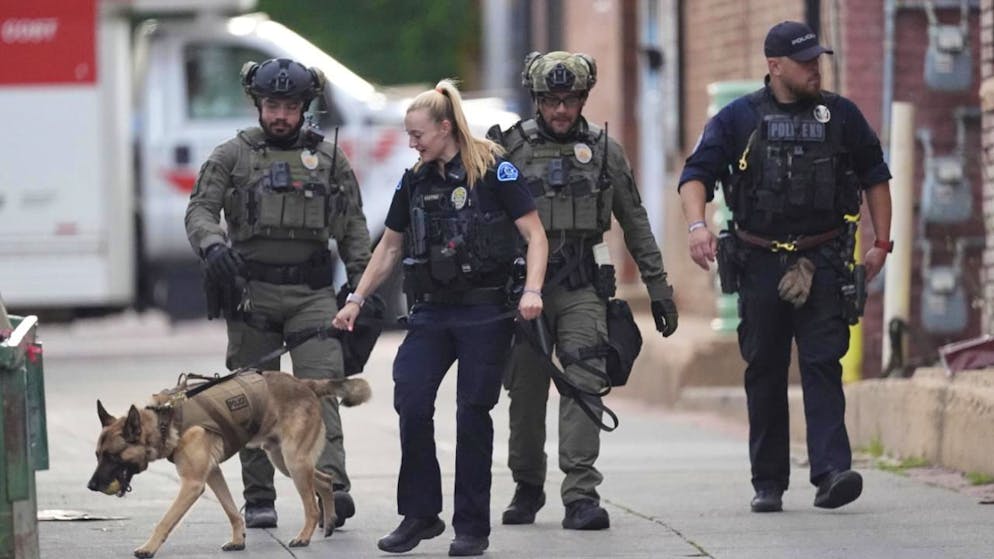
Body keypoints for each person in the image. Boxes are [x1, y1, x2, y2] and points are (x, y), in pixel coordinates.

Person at [677, 21, 893, 513]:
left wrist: (881, 243)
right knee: (766, 369)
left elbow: (875, 176)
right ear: (775, 67)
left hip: (823, 258)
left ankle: (832, 472)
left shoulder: (841, 116)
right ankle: (768, 482)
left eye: (819, 59)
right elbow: (696, 175)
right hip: (757, 260)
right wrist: (696, 227)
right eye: (805, 62)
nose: (816, 68)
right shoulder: (738, 119)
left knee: (822, 362)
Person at [333, 79, 547, 557]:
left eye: (417, 135)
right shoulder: (415, 179)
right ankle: (420, 514)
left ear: (445, 127)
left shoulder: (497, 170)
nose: (411, 144)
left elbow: (535, 235)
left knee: (472, 412)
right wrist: (356, 298)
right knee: (410, 398)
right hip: (431, 311)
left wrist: (532, 291)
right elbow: (388, 246)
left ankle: (471, 527)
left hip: (485, 310)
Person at [490, 51, 679, 531]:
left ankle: (580, 494)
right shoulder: (506, 150)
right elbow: (483, 221)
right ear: (536, 99)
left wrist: (658, 289)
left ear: (583, 99)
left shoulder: (604, 151)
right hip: (523, 288)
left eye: (570, 99)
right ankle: (527, 485)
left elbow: (635, 222)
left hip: (580, 286)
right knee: (526, 391)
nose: (560, 110)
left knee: (584, 379)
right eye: (551, 100)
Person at [185, 57, 372, 529]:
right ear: (257, 104)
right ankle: (260, 497)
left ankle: (332, 488)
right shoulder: (233, 155)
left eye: (291, 106)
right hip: (252, 292)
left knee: (321, 390)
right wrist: (212, 247)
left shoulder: (330, 158)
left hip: (313, 293)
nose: (281, 115)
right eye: (272, 105)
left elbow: (352, 226)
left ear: (305, 107)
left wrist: (363, 285)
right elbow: (200, 211)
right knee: (248, 398)